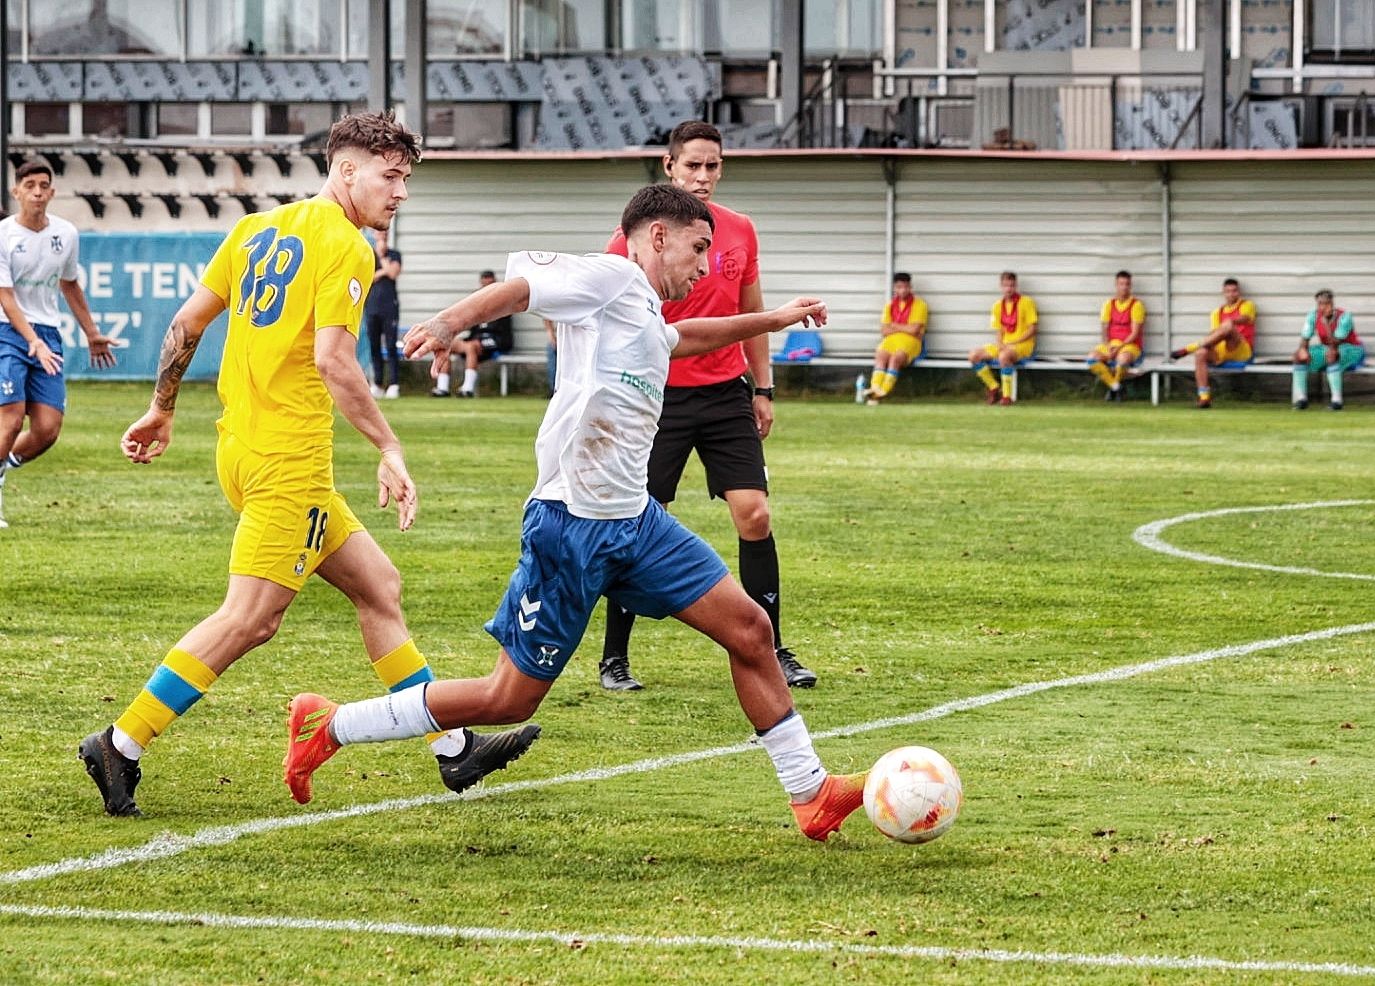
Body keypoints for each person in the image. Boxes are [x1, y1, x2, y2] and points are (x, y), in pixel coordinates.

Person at [283, 183, 865, 843]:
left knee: (752, 631)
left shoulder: (641, 305)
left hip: (636, 523)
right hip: (572, 524)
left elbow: (684, 337)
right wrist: (451, 322)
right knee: (509, 699)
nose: (706, 267)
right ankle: (327, 725)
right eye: (698, 249)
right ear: (658, 237)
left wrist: (772, 320)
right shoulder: (613, 275)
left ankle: (811, 795)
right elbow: (523, 287)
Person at [78, 112, 538, 818]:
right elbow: (333, 360)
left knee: (379, 587)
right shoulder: (346, 245)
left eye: (407, 178)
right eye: (392, 176)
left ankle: (454, 749)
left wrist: (163, 406)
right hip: (288, 463)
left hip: (244, 449)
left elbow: (186, 324)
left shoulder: (258, 229)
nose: (402, 193)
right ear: (346, 170)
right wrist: (389, 447)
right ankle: (121, 742)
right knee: (250, 619)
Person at [599, 120, 816, 693]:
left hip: (726, 395)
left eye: (712, 165)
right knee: (634, 521)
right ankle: (613, 656)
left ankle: (770, 648)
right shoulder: (633, 237)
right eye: (691, 165)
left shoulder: (741, 231)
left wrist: (763, 389)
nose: (702, 176)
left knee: (756, 514)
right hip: (655, 396)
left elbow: (753, 311)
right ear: (669, 167)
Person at [0, 160, 117, 529]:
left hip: (47, 334)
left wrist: (92, 333)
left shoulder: (66, 234)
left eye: (43, 185)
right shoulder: (3, 235)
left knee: (47, 429)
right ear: (17, 191)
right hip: (8, 330)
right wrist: (30, 340)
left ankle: (3, 467)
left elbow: (70, 285)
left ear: (52, 193)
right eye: (29, 185)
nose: (37, 191)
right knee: (11, 418)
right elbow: (5, 296)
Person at [1171, 278, 1255, 409]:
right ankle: (1204, 397)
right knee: (1200, 353)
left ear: (1239, 292)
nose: (1231, 294)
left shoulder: (1247, 305)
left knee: (1228, 325)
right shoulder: (1217, 312)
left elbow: (1246, 318)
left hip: (1240, 348)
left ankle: (1189, 348)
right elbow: (1215, 334)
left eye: (1234, 291)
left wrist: (1231, 321)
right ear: (1223, 293)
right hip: (1221, 351)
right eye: (1228, 291)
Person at [430, 270, 514, 397]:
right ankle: (442, 388)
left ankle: (467, 389)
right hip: (476, 338)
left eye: (490, 285)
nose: (487, 288)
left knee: (471, 347)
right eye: (484, 285)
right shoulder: (477, 301)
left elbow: (500, 330)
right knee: (446, 344)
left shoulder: (504, 300)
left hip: (496, 339)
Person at [969, 271, 1037, 405]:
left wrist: (1013, 342)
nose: (1008, 289)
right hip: (1005, 344)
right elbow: (999, 330)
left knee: (1003, 356)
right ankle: (994, 388)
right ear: (1001, 286)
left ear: (1016, 286)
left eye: (1011, 286)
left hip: (1023, 344)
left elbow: (1033, 329)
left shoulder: (1026, 302)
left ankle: (1007, 397)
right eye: (1006, 286)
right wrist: (1000, 343)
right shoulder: (998, 306)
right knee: (974, 355)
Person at [1293, 289, 1364, 411]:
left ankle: (1337, 401)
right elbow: (1305, 336)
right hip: (1328, 349)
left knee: (1331, 354)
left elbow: (1336, 341)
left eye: (1326, 304)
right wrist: (1303, 349)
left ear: (1332, 303)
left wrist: (1326, 323)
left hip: (1351, 349)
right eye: (1320, 304)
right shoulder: (1313, 315)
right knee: (1298, 356)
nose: (1322, 307)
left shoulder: (1344, 316)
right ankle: (1301, 399)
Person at [863, 272, 927, 406]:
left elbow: (914, 330)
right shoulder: (890, 305)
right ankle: (875, 389)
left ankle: (883, 391)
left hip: (911, 342)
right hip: (891, 340)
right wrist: (905, 327)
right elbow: (884, 331)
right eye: (899, 287)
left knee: (896, 358)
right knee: (880, 355)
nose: (902, 290)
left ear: (910, 287)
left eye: (905, 287)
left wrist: (894, 325)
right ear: (894, 288)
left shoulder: (919, 305)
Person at [1086, 270, 1145, 402]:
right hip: (1112, 344)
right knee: (1091, 358)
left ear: (1130, 286)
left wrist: (1118, 349)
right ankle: (1115, 387)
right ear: (1116, 285)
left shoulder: (1136, 305)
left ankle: (1113, 389)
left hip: (1129, 345)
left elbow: (1135, 333)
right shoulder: (1109, 304)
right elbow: (1104, 329)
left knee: (1122, 360)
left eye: (1127, 284)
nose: (1124, 287)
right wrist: (1108, 346)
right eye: (1121, 284)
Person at [365, 228, 402, 399]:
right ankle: (378, 383)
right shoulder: (368, 255)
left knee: (391, 345)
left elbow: (393, 273)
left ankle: (394, 383)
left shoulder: (394, 254)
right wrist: (383, 270)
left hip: (390, 307)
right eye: (380, 234)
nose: (383, 237)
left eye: (385, 235)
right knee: (374, 346)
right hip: (372, 306)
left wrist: (382, 258)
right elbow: (367, 278)